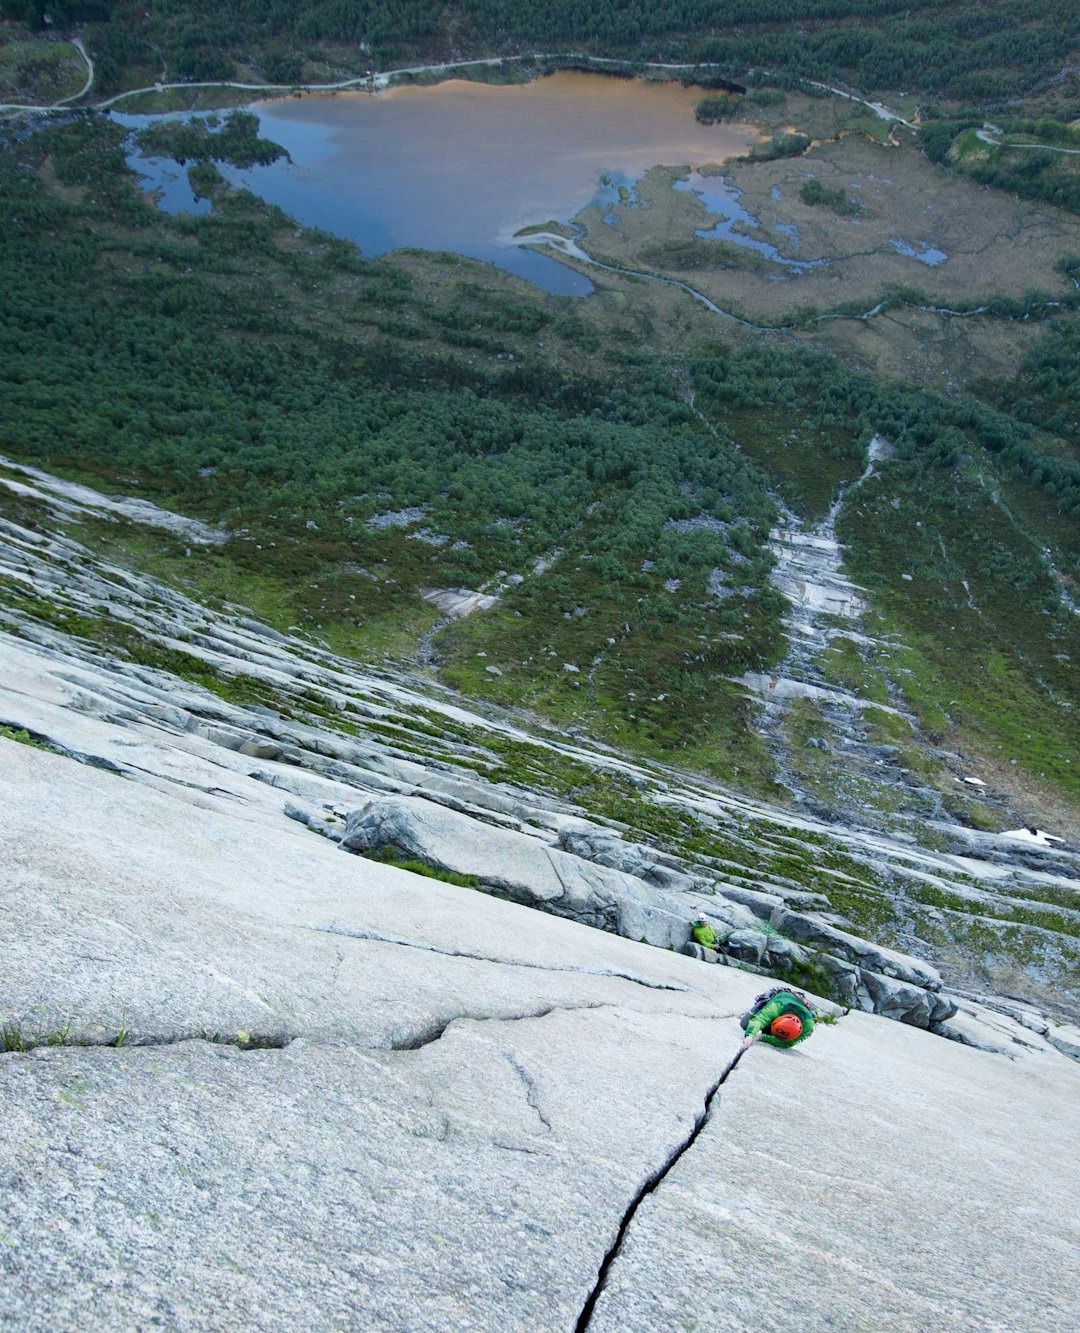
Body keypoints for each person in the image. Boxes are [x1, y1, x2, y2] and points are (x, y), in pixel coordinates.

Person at [740, 986, 816, 1050]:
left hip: (798, 1004)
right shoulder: (776, 1007)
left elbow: (786, 1044)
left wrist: (762, 1037)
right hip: (780, 997)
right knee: (744, 1024)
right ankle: (760, 1008)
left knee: (765, 1031)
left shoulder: (807, 1024)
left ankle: (770, 1030)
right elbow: (759, 1019)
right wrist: (750, 1035)